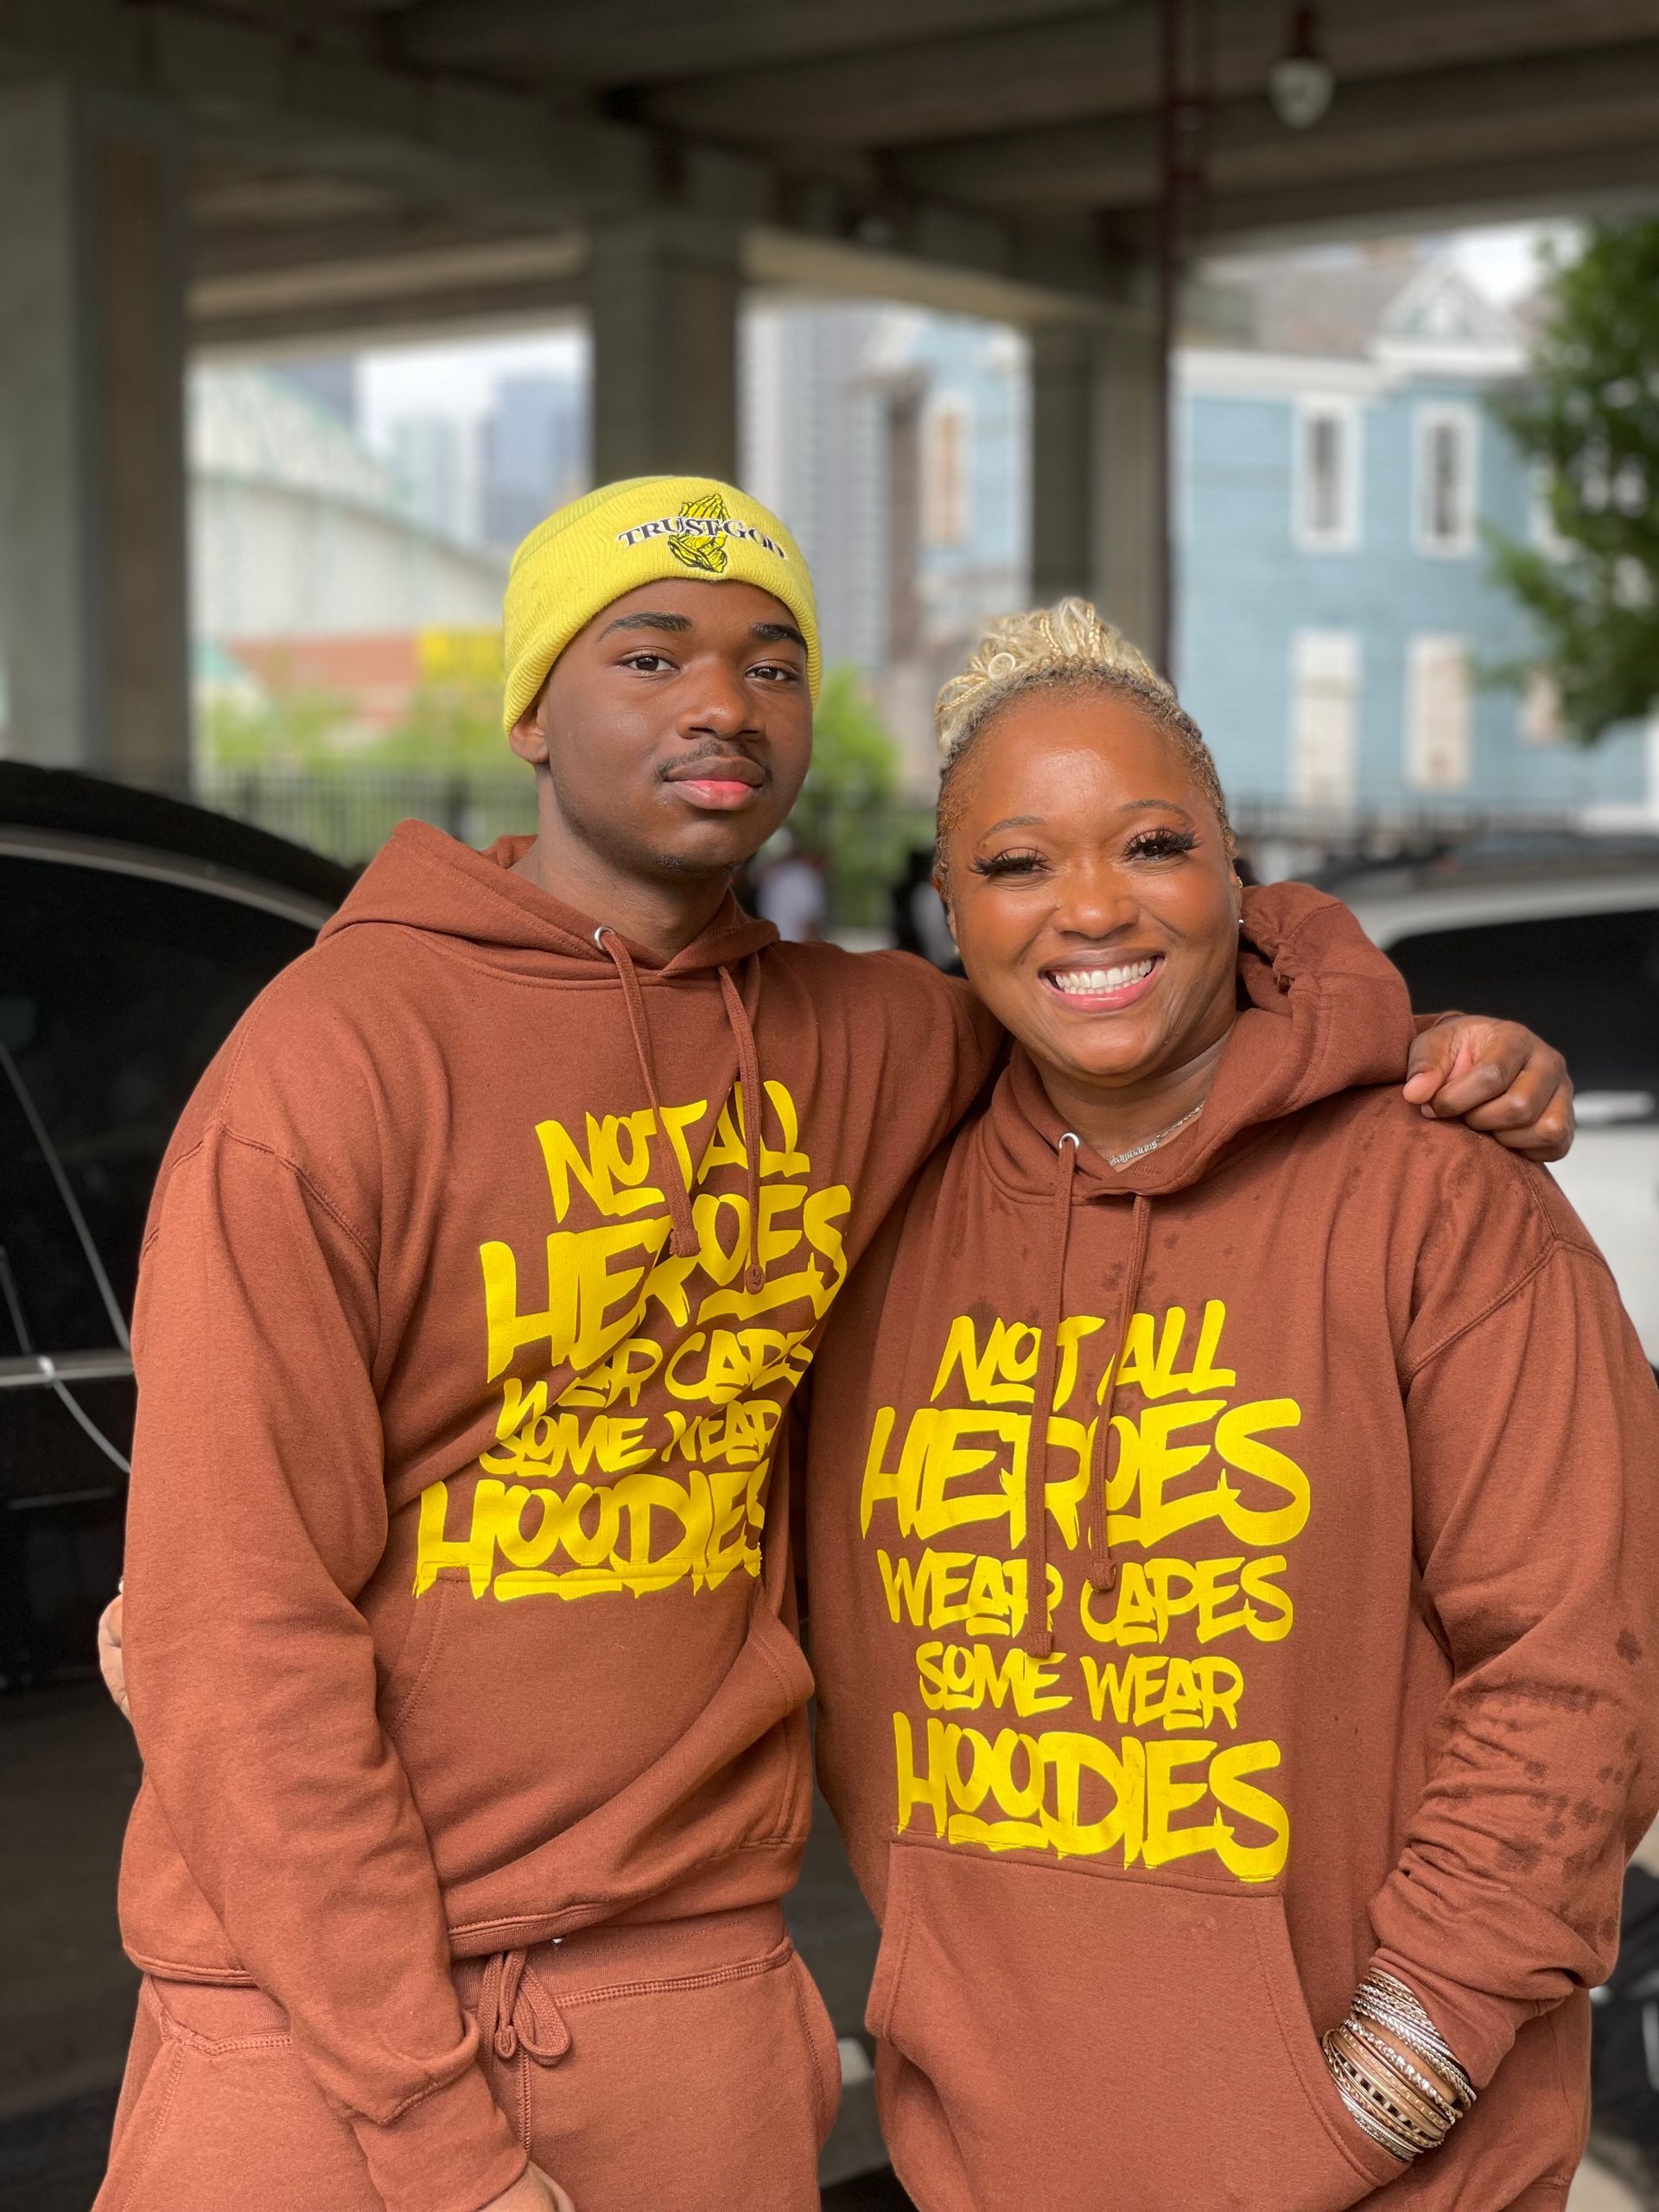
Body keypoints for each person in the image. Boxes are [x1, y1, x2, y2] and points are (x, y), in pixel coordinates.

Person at [92, 479, 1575, 2212]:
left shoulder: (860, 1040)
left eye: (773, 664)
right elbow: (237, 1633)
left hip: (694, 2000)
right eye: (651, 656)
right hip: (328, 2036)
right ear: (529, 712)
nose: (722, 703)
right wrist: (438, 2141)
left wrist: (1404, 1027)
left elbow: (1119, 978)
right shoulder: (329, 1072)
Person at [802, 601, 1659, 2212]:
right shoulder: (878, 1219)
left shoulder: (1438, 1202)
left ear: (1234, 868)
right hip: (987, 2169)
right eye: (1018, 863)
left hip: (1386, 2163)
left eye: (1151, 844)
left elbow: (1581, 1677)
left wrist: (1383, 2084)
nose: (1093, 907)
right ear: (950, 908)